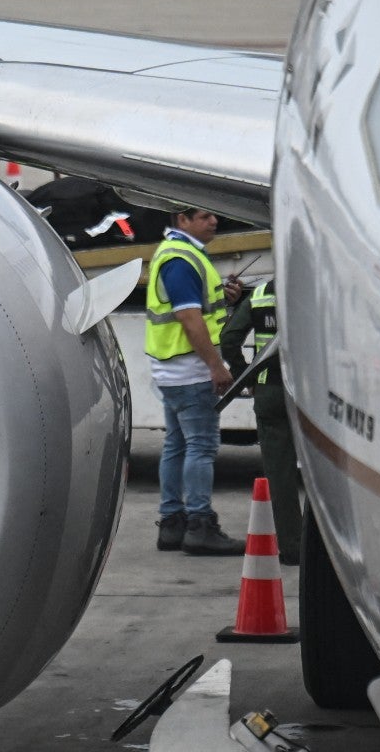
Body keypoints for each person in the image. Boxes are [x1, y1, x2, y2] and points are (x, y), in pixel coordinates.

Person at [145, 207, 247, 556]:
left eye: (214, 216)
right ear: (182, 219)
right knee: (201, 447)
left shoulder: (180, 254)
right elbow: (189, 319)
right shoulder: (182, 259)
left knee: (177, 445)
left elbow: (197, 310)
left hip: (173, 371)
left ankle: (172, 523)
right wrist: (216, 366)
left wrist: (224, 297)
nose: (214, 221)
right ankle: (200, 524)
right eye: (204, 216)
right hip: (190, 372)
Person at [244, 279, 302, 565]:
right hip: (307, 394)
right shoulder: (313, 290)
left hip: (270, 392)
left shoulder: (259, 295)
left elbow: (230, 337)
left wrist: (248, 376)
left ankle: (292, 546)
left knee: (281, 474)